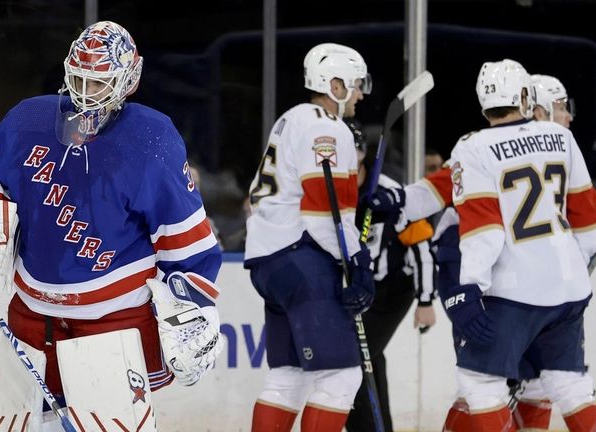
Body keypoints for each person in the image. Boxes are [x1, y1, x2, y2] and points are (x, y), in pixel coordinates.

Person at [0, 20, 223, 425]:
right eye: (79, 79)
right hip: (31, 313)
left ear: (129, 79)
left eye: (99, 83)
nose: (85, 93)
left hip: (113, 319)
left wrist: (193, 307)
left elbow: (182, 234)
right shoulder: (27, 120)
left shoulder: (151, 137)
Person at [371, 59, 596, 431]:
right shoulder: (562, 140)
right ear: (527, 100)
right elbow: (587, 216)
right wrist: (578, 268)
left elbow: (484, 229)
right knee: (565, 383)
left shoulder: (476, 146)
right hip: (565, 289)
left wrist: (469, 286)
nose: (565, 117)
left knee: (481, 384)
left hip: (507, 288)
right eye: (558, 107)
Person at [244, 43, 375, 432]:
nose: (361, 94)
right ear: (334, 84)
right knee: (341, 377)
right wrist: (356, 261)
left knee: (289, 377)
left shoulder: (291, 119)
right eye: (356, 84)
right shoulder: (326, 126)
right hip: (302, 257)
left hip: (270, 261)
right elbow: (323, 213)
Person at [344, 119, 437, 432]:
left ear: (362, 155)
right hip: (358, 289)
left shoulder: (388, 192)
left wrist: (426, 300)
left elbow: (422, 245)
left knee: (360, 351)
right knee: (364, 354)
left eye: (353, 155)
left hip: (394, 289)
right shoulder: (332, 192)